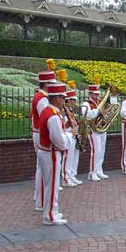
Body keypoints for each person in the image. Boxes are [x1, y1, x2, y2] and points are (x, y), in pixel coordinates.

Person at [38, 82, 73, 225]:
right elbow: (60, 142)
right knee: (52, 186)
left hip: (47, 151)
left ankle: (53, 211)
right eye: (62, 98)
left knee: (50, 185)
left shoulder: (49, 111)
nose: (64, 101)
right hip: (51, 152)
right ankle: (50, 216)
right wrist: (71, 134)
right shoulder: (52, 116)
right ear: (57, 98)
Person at [31, 60, 57, 211]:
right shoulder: (42, 99)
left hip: (38, 132)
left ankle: (39, 197)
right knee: (42, 167)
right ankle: (40, 199)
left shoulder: (42, 97)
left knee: (41, 168)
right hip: (40, 133)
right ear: (46, 85)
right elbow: (45, 119)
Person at [82, 78, 108, 181]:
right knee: (96, 150)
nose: (97, 96)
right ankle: (92, 173)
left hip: (102, 128)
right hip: (93, 129)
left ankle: (99, 170)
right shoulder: (86, 104)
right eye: (95, 94)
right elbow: (88, 115)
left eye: (98, 94)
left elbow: (106, 114)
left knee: (102, 151)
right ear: (90, 94)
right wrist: (98, 109)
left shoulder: (100, 102)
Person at [61, 82, 82, 187]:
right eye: (72, 99)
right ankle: (65, 178)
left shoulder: (70, 110)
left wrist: (78, 131)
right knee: (67, 158)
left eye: (75, 99)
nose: (74, 101)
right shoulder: (64, 111)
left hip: (74, 136)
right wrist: (70, 132)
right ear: (67, 100)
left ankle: (72, 175)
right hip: (68, 136)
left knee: (74, 157)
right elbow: (63, 126)